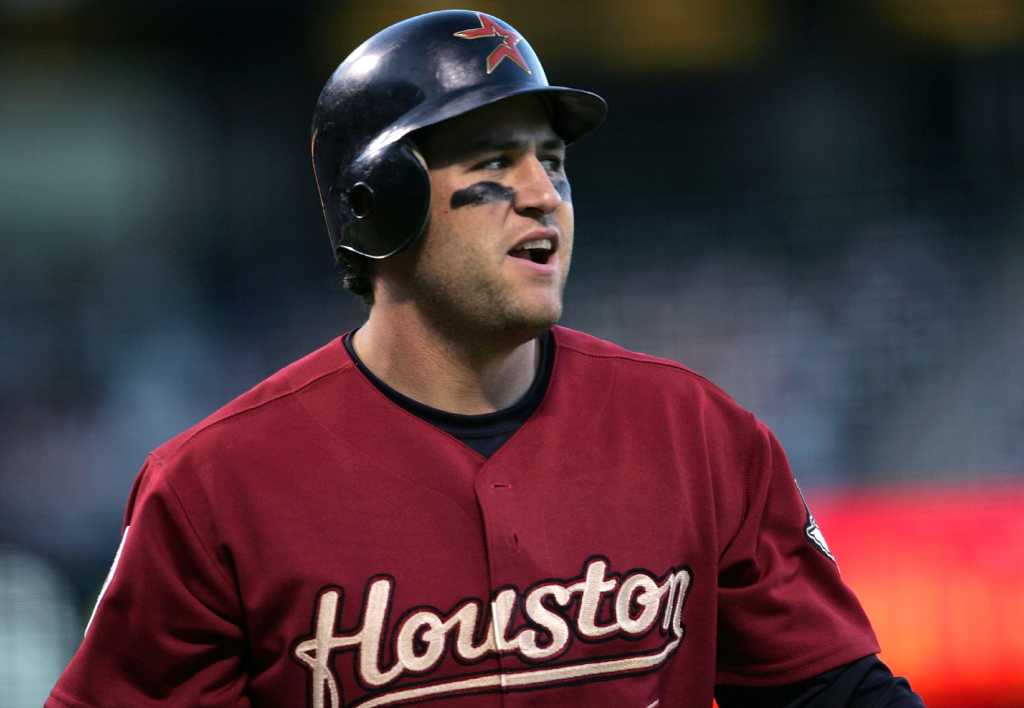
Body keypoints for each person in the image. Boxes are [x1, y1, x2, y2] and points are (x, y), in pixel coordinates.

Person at [48, 10, 924, 708]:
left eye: (553, 162)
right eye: (497, 164)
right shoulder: (213, 489)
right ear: (378, 206)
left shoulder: (697, 434)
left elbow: (833, 692)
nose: (545, 196)